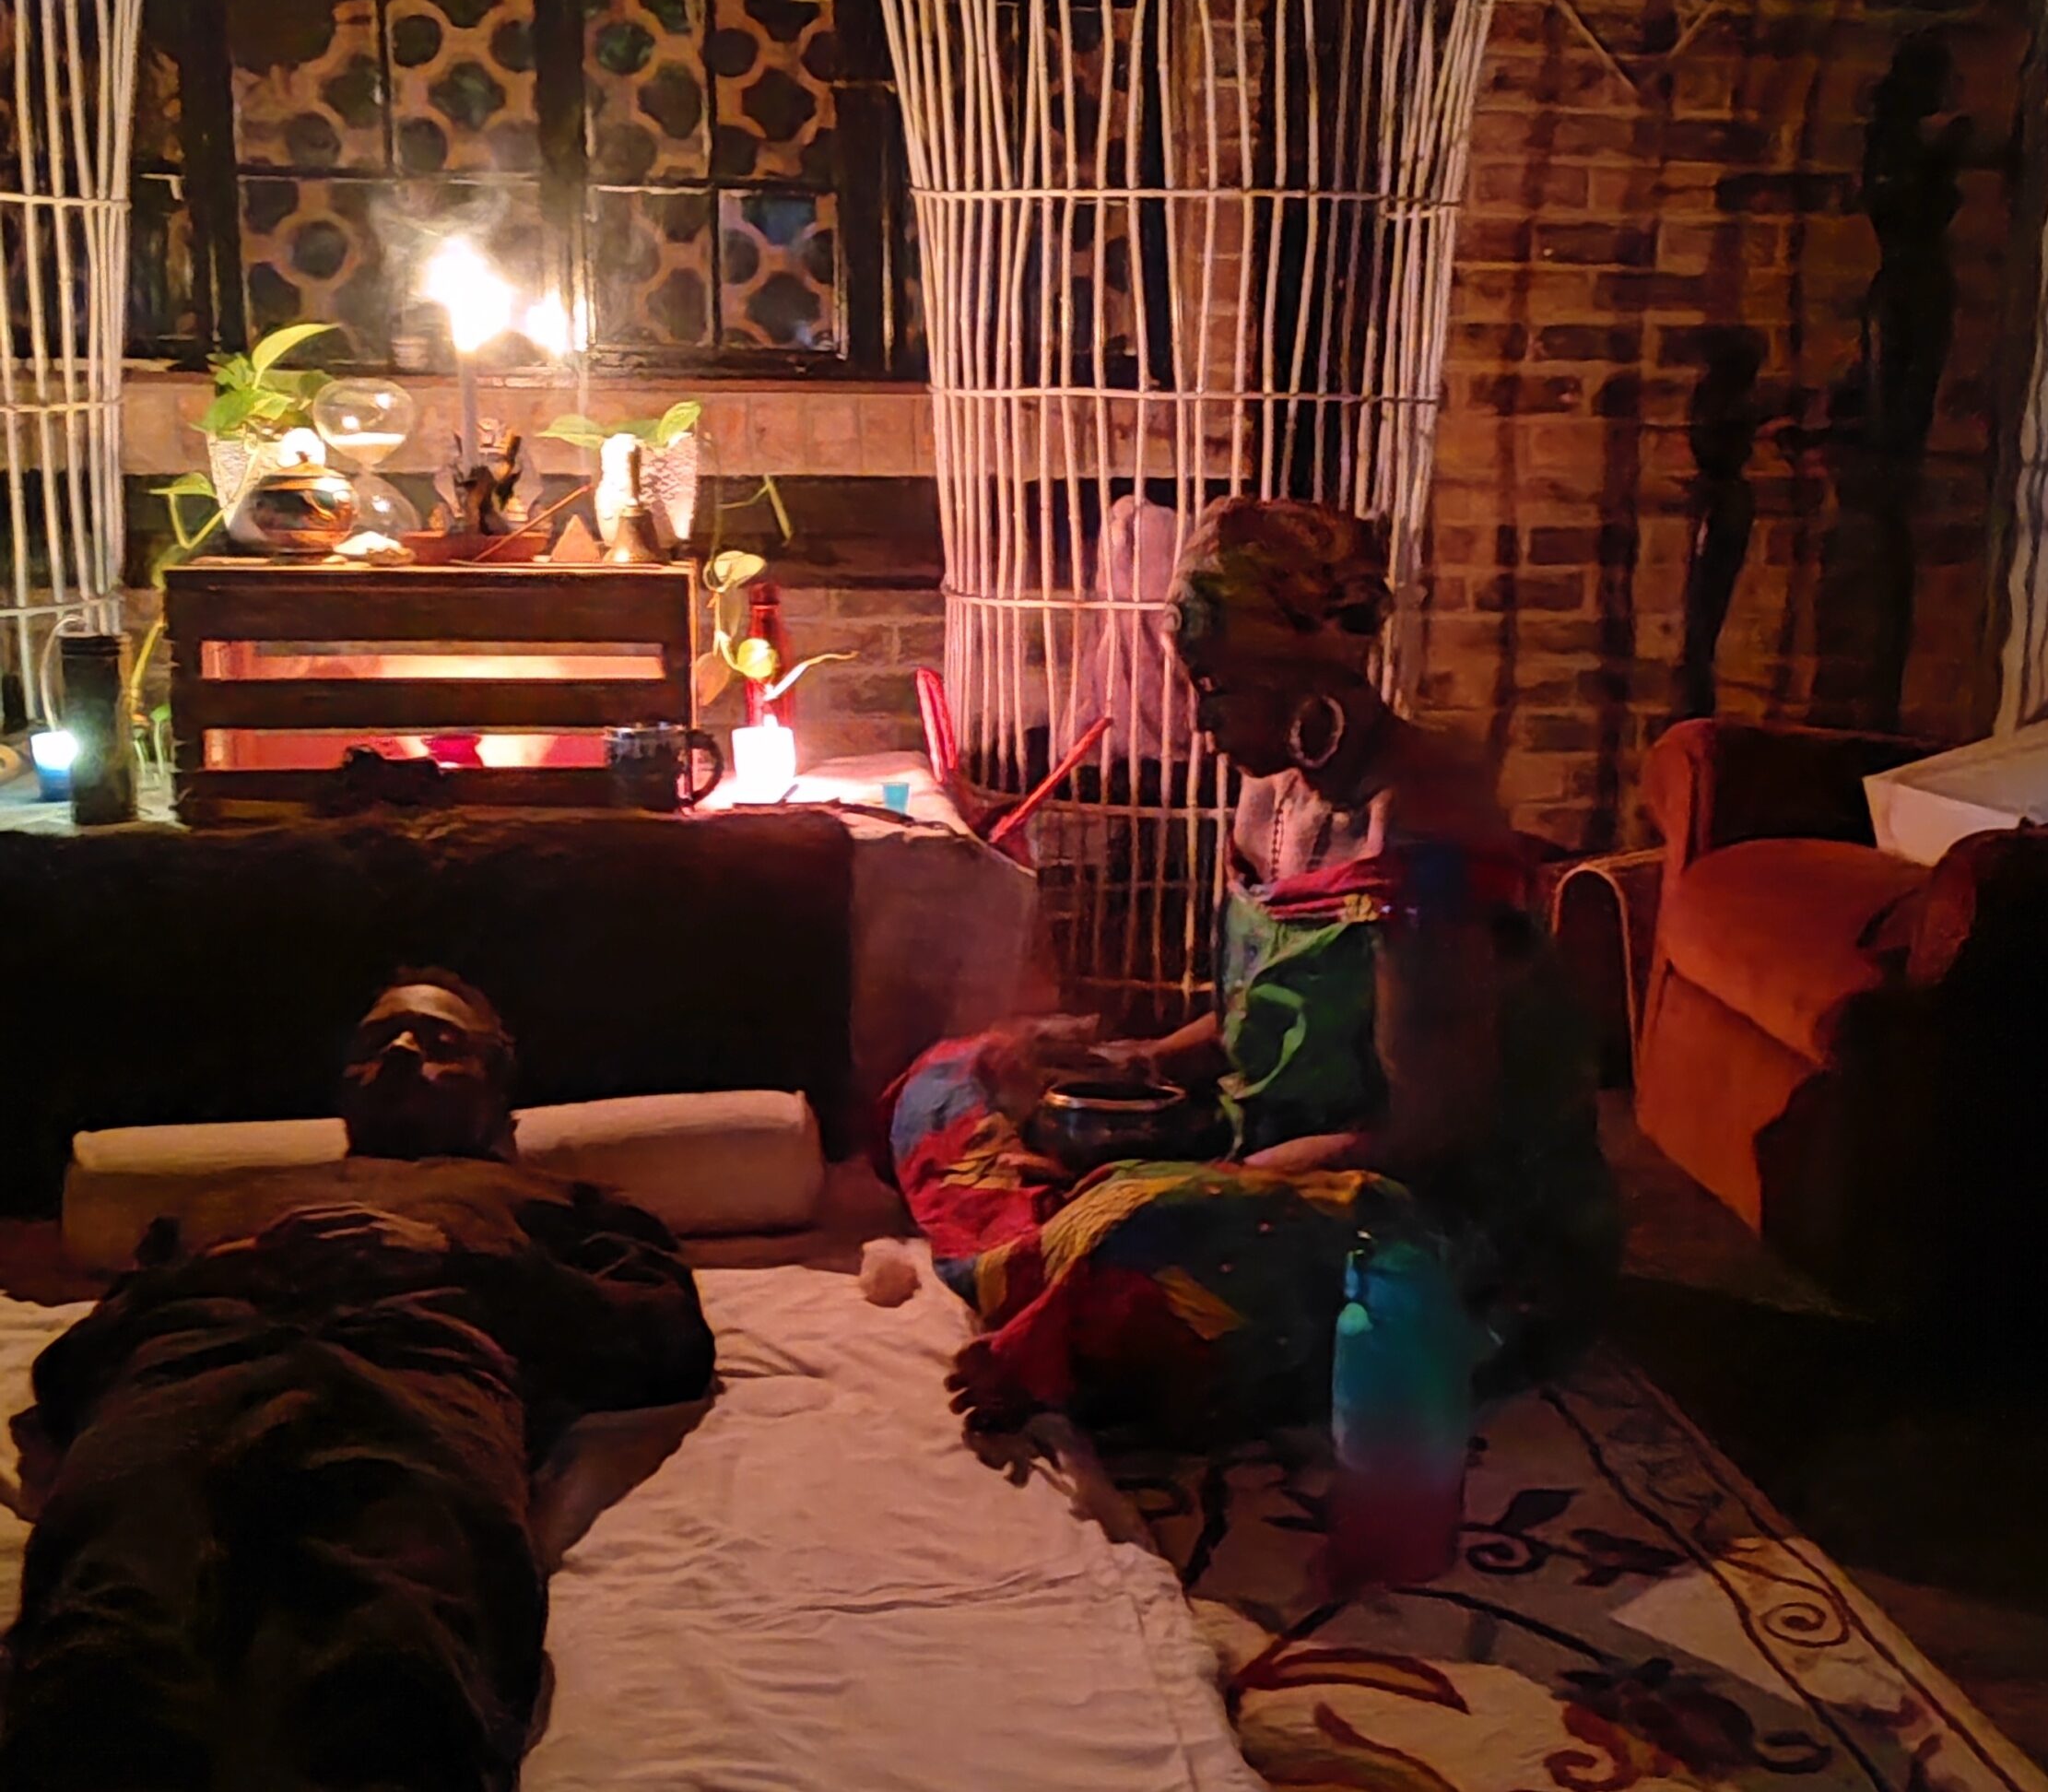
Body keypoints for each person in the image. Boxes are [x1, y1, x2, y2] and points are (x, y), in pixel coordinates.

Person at [884, 497, 1618, 1441]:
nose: (1197, 721)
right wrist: (1121, 1068)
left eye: (1216, 687)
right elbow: (1246, 1025)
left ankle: (1076, 1287)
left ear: (1303, 679)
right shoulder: (1265, 797)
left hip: (1434, 1202)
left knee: (1147, 1230)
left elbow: (1431, 1128)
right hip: (1272, 1137)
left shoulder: (1424, 821)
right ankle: (1077, 1275)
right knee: (951, 1079)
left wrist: (1213, 1179)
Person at [1, 975, 715, 1792]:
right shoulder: (219, 1206)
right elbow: (71, 1368)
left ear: (497, 1085)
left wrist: (454, 1258)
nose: (403, 1052)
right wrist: (219, 1271)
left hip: (414, 1375)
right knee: (107, 1638)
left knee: (393, 1648)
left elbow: (665, 1336)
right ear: (343, 1085)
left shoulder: (560, 1201)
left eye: (440, 1042)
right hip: (186, 1374)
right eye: (377, 1043)